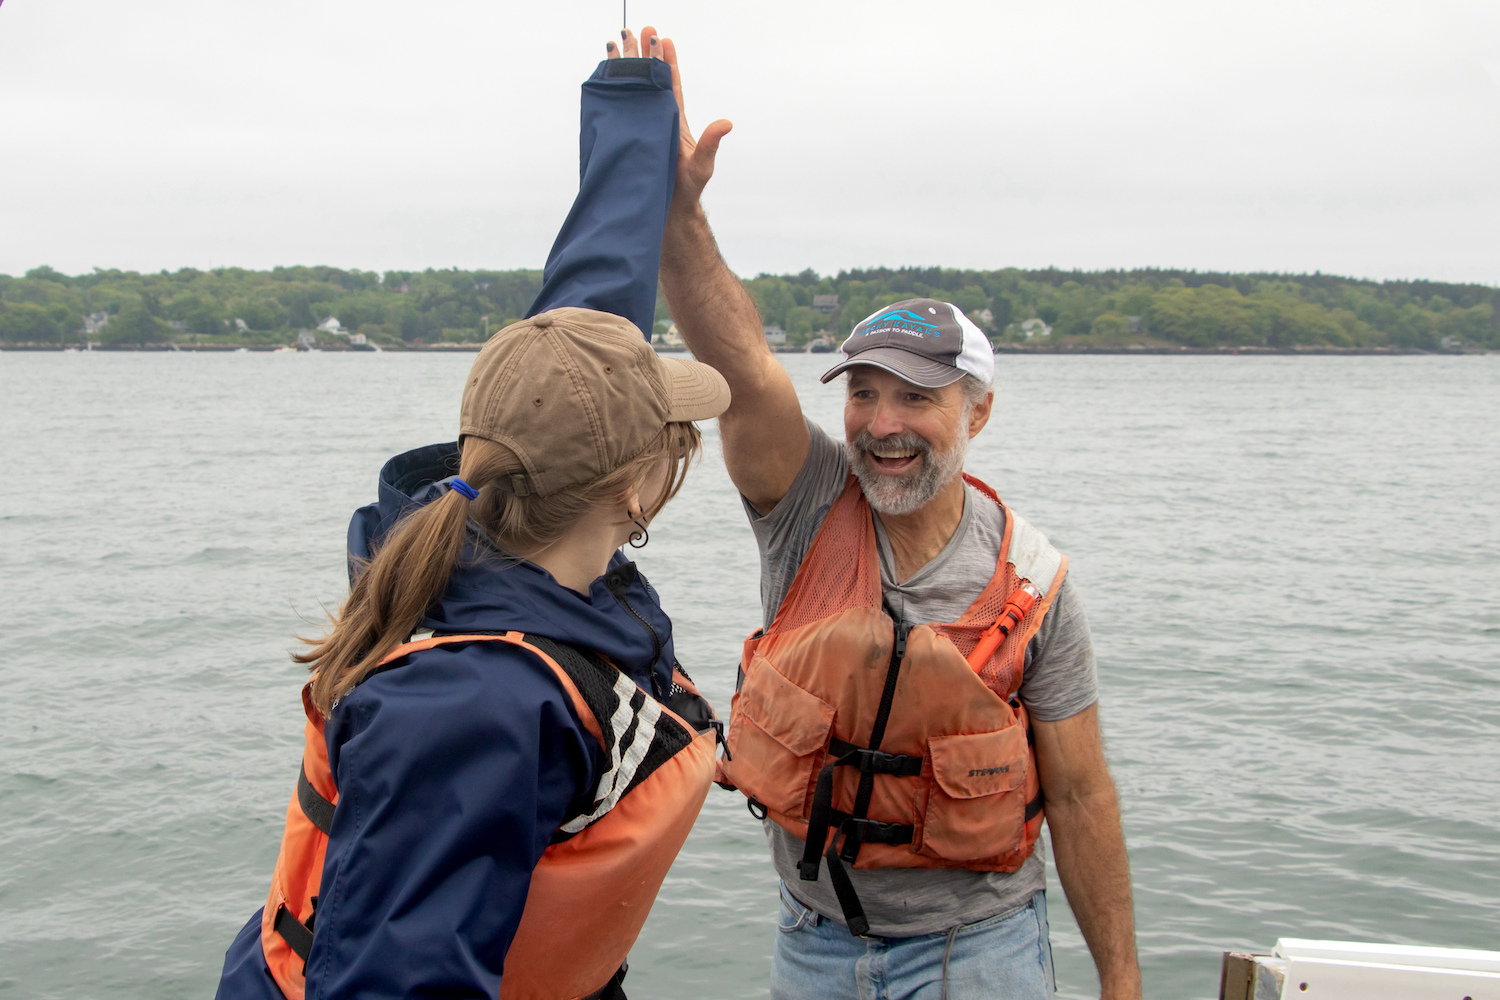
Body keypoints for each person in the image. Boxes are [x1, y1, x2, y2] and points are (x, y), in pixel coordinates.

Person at [215, 30, 730, 1000]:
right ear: (630, 486)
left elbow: (583, 340)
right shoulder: (472, 710)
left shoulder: (503, 527)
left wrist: (635, 111)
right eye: (669, 431)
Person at [638, 37, 1145, 1000]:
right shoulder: (806, 509)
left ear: (977, 413)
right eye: (863, 395)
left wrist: (1121, 984)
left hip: (981, 950)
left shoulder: (1033, 586)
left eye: (915, 399)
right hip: (813, 942)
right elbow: (741, 368)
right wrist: (677, 217)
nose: (882, 426)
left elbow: (1080, 797)